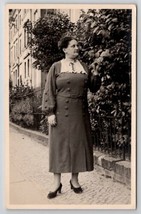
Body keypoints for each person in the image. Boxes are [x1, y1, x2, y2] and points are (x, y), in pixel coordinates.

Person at [42, 36, 101, 199]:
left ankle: (74, 181)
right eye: (73, 46)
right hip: (60, 113)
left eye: (78, 45)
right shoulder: (57, 66)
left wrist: (96, 74)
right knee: (58, 147)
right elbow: (49, 90)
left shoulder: (84, 67)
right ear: (64, 49)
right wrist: (50, 112)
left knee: (76, 145)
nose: (77, 48)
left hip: (80, 113)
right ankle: (56, 183)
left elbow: (94, 88)